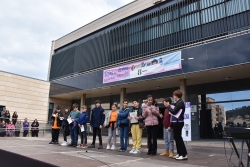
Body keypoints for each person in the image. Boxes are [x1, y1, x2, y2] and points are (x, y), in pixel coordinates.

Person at [165, 90, 188, 160]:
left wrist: (168, 106)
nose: (173, 97)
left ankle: (183, 154)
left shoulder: (180, 103)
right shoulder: (178, 102)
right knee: (176, 138)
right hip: (176, 122)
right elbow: (174, 107)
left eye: (173, 95)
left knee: (178, 138)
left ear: (176, 96)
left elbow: (174, 112)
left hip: (178, 122)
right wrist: (170, 105)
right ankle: (179, 153)